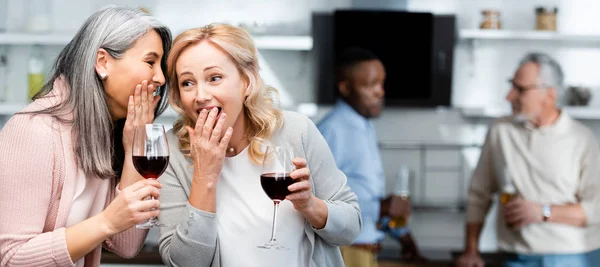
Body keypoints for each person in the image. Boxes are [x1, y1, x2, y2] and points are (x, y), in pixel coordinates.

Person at [156, 23, 361, 267]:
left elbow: (351, 228)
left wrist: (310, 206)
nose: (200, 95)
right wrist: (205, 177)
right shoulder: (172, 151)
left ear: (247, 80)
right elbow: (184, 263)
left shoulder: (296, 131)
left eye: (215, 78)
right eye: (187, 82)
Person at [0, 6, 172, 267]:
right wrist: (106, 222)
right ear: (102, 62)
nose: (160, 77)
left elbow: (126, 245)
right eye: (150, 62)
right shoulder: (33, 131)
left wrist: (135, 145)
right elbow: (10, 257)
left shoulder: (106, 132)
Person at [456, 52, 600, 267]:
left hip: (573, 257)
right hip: (516, 258)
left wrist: (543, 212)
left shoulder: (581, 138)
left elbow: (596, 209)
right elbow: (479, 194)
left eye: (520, 89)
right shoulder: (500, 131)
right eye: (511, 85)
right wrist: (471, 250)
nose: (509, 96)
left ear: (549, 96)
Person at [317, 47, 426, 267]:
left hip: (366, 251)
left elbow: (362, 190)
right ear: (345, 88)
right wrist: (381, 208)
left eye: (381, 83)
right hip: (344, 252)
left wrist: (403, 235)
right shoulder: (331, 129)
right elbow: (316, 196)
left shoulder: (364, 126)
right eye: (370, 85)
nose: (380, 92)